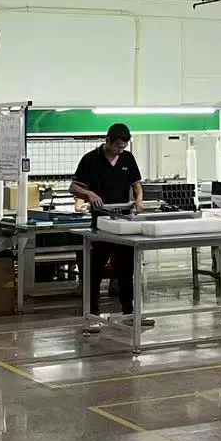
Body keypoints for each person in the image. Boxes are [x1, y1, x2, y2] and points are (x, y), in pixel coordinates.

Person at [71, 123, 144, 317]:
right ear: (108, 140)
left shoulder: (128, 158)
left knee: (126, 270)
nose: (120, 150)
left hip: (123, 223)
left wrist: (139, 200)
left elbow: (136, 184)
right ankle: (93, 313)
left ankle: (129, 312)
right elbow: (74, 187)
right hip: (101, 223)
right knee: (94, 271)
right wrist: (89, 194)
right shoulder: (91, 159)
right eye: (117, 146)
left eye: (123, 147)